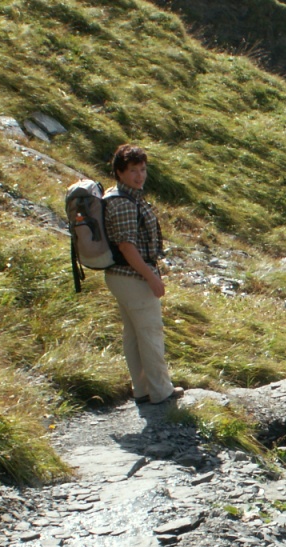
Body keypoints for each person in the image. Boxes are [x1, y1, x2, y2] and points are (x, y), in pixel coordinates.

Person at [103, 143, 183, 405]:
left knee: (134, 334)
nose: (140, 176)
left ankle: (143, 389)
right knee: (150, 333)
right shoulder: (124, 203)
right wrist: (151, 277)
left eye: (143, 169)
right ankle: (161, 391)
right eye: (133, 170)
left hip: (121, 276)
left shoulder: (119, 196)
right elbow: (126, 246)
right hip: (133, 277)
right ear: (119, 172)